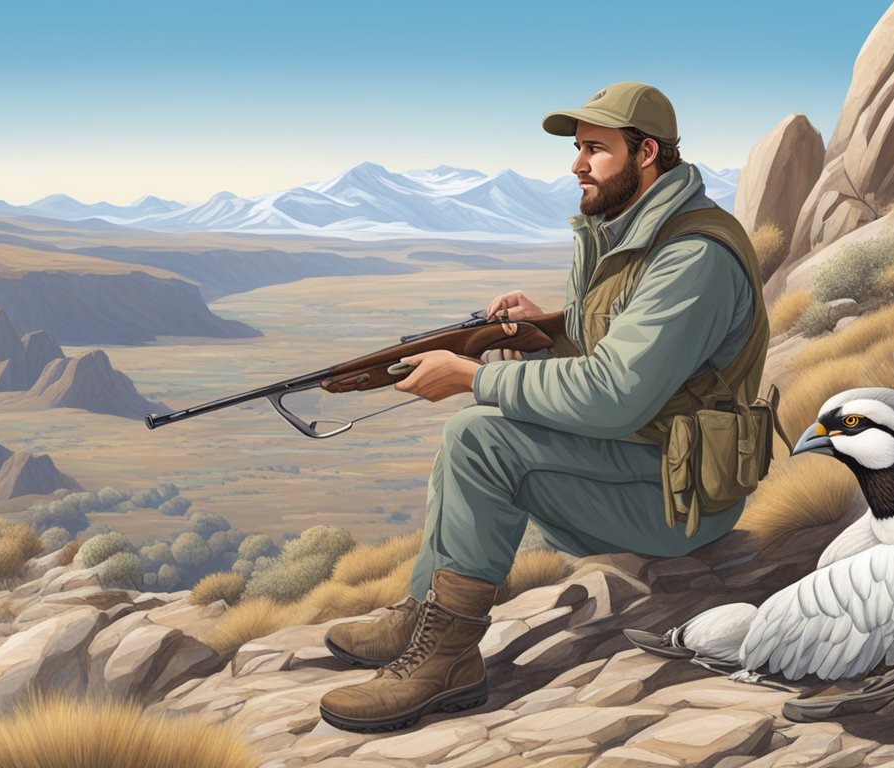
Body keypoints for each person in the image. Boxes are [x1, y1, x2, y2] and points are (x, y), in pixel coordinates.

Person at [317, 81, 769, 733]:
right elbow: (632, 346)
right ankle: (425, 613)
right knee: (477, 437)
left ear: (645, 153)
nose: (576, 165)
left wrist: (473, 377)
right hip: (651, 462)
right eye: (578, 149)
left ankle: (447, 660)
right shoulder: (636, 231)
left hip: (681, 499)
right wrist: (553, 330)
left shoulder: (692, 256)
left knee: (480, 438)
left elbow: (615, 394)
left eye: (594, 149)